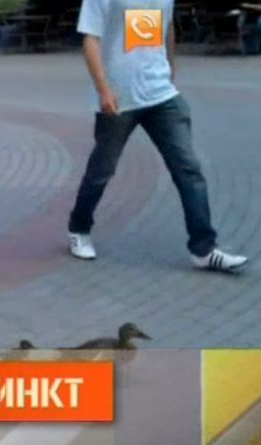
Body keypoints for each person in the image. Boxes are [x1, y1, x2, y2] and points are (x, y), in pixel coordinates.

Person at [68, 0, 248, 272]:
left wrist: (170, 66)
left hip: (161, 95)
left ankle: (203, 249)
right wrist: (103, 89)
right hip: (119, 99)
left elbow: (167, 25)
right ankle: (79, 228)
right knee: (102, 170)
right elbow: (90, 39)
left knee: (189, 169)